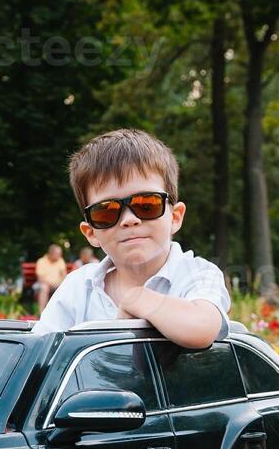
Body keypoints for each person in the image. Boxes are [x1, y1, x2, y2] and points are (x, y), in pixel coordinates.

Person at [31, 128, 230, 347]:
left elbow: (202, 328)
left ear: (175, 217)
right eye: (106, 211)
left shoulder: (197, 274)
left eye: (146, 205)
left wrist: (138, 299)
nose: (129, 219)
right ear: (91, 233)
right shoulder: (78, 287)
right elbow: (42, 352)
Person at [33, 243, 67, 311]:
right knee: (44, 287)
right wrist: (51, 283)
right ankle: (42, 314)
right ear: (51, 253)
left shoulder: (61, 260)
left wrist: (59, 283)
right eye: (58, 254)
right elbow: (40, 279)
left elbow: (64, 276)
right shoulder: (41, 261)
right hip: (43, 284)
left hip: (57, 285)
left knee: (65, 288)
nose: (60, 255)